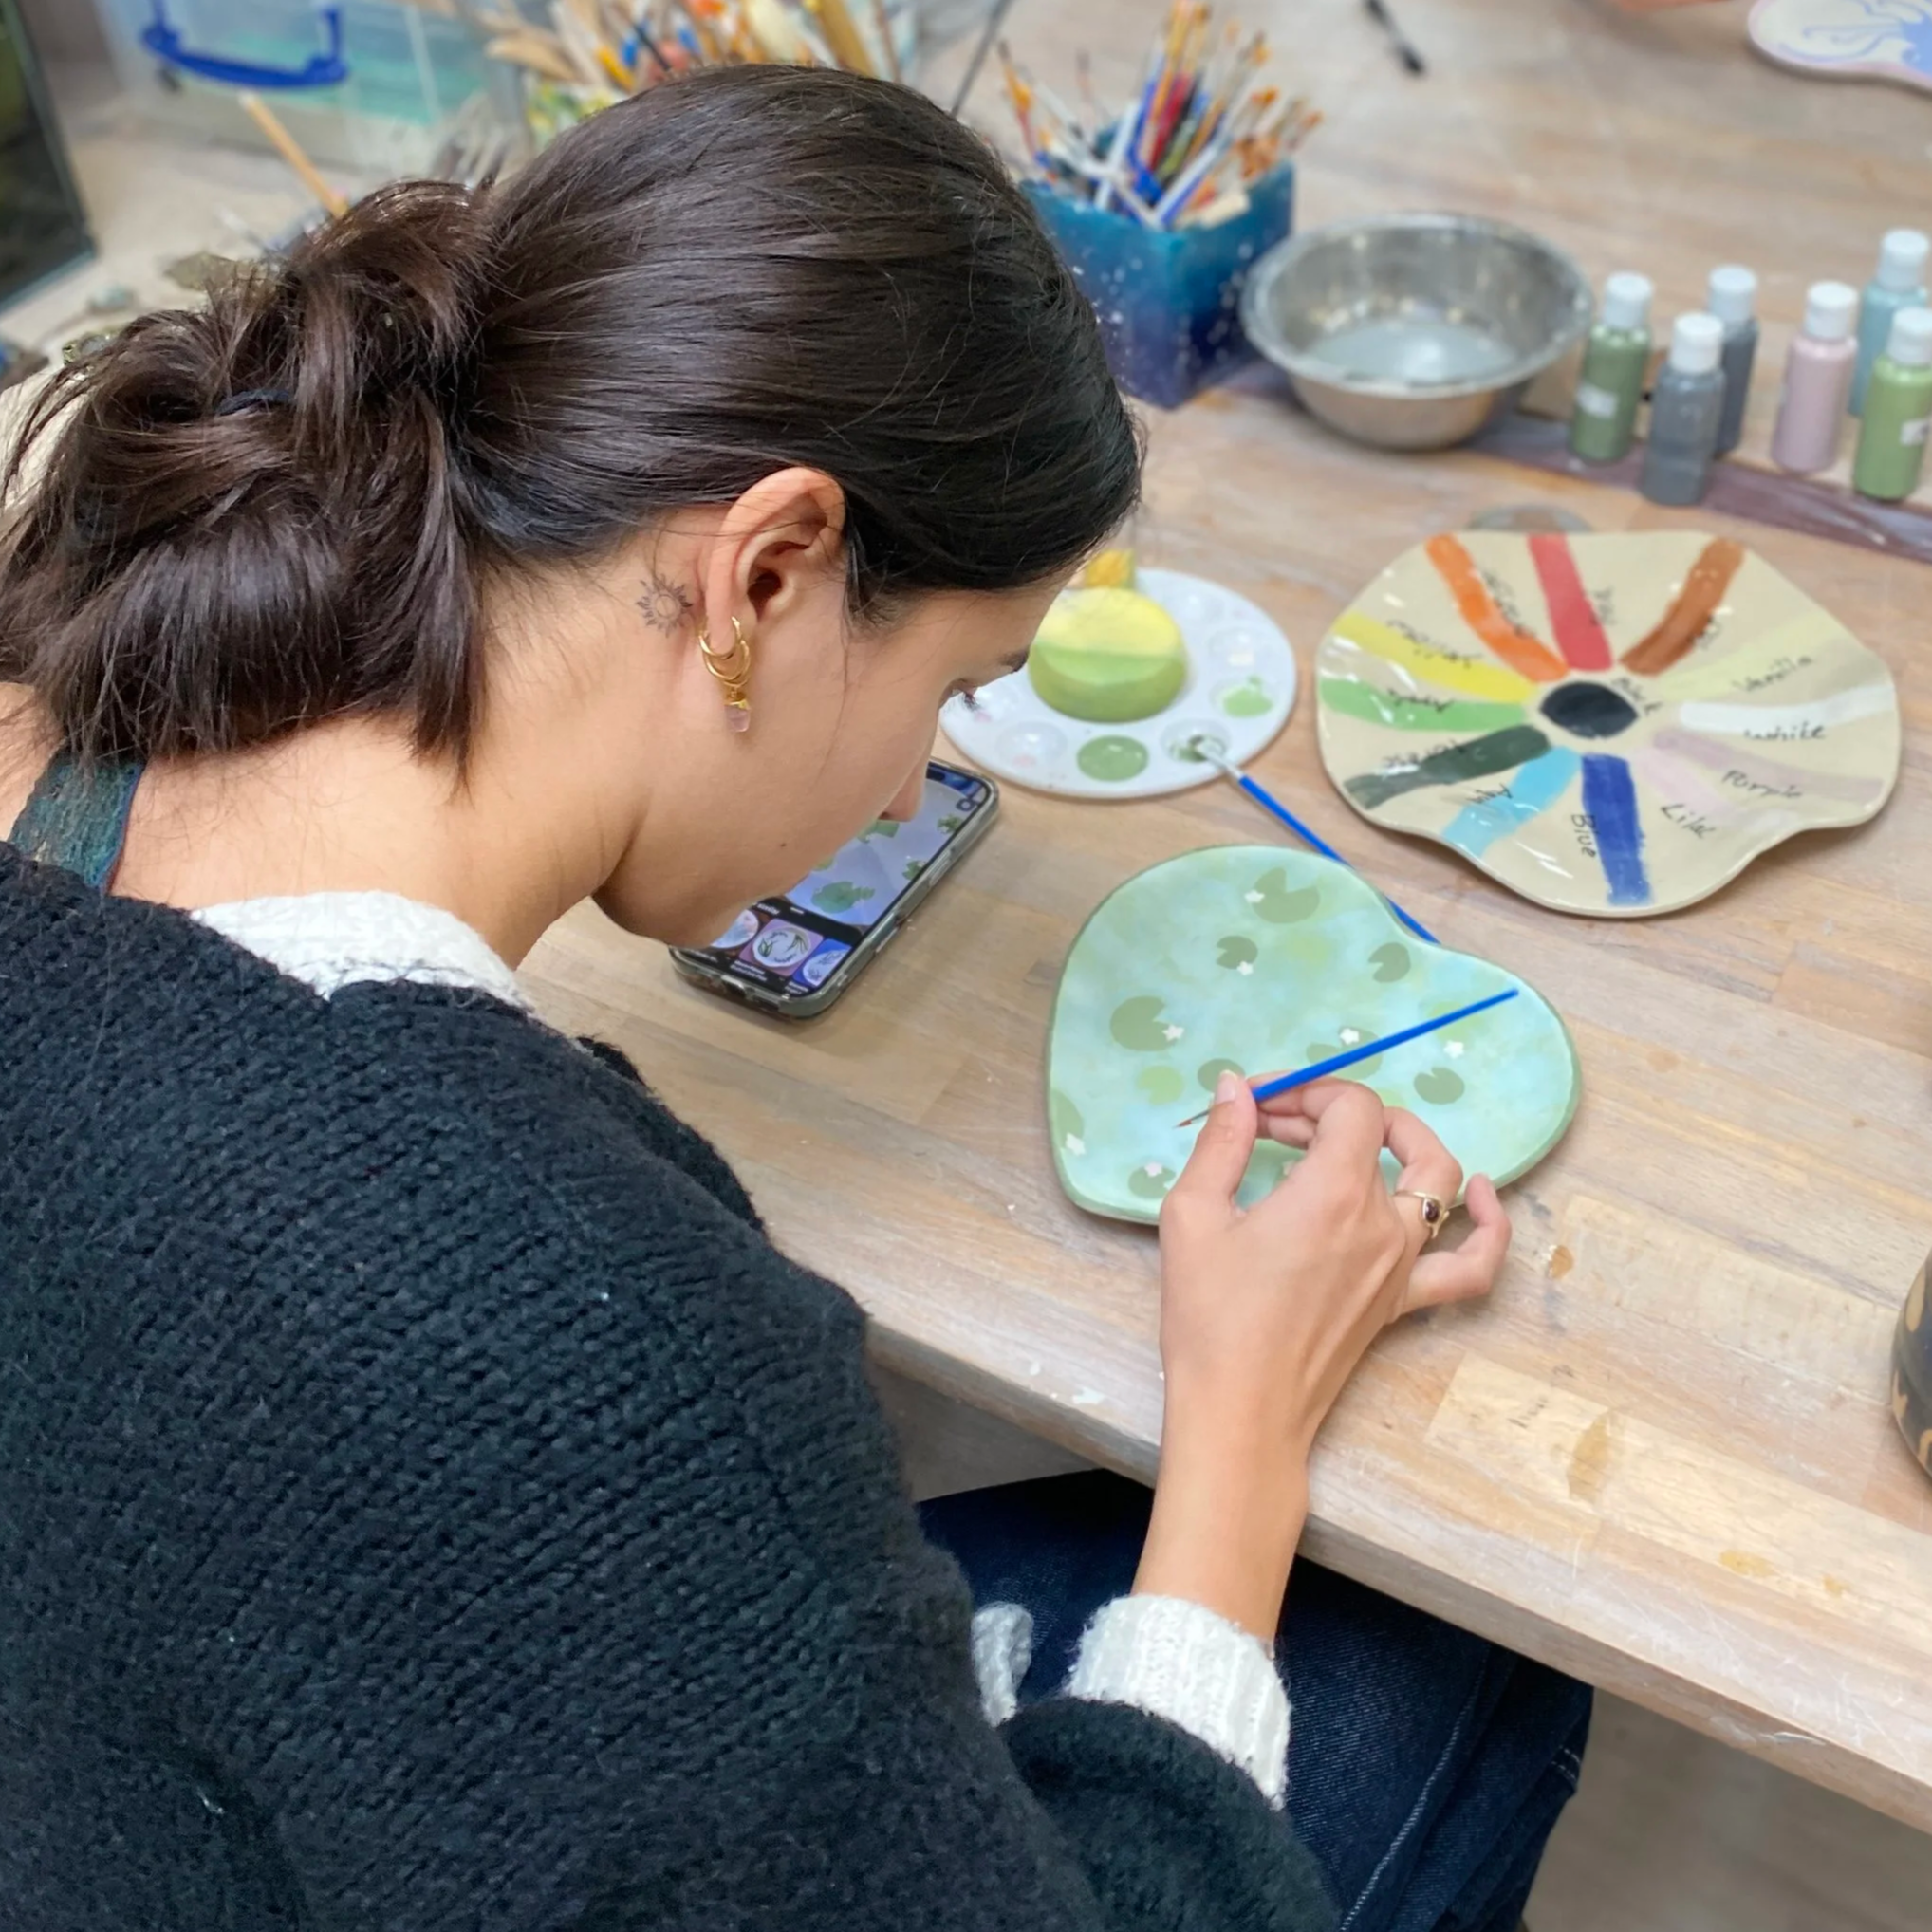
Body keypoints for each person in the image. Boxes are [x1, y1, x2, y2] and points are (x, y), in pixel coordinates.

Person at [0, 66, 1588, 1932]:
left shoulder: (51, 720)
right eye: (955, 687)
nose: (920, 785)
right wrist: (1242, 1420)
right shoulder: (573, 1343)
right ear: (765, 571)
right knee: (1462, 1654)